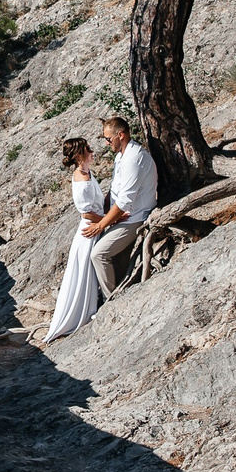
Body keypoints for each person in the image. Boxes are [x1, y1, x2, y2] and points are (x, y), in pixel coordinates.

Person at [42, 137, 109, 344]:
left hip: (96, 226)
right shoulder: (80, 179)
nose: (92, 151)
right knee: (83, 274)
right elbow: (87, 213)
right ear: (79, 155)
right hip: (90, 229)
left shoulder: (87, 173)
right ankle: (76, 317)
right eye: (88, 149)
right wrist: (109, 220)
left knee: (87, 275)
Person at [84, 114, 157, 297]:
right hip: (123, 215)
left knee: (98, 254)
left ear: (121, 135)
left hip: (135, 217)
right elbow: (115, 190)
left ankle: (111, 298)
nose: (107, 143)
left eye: (109, 138)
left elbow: (125, 201)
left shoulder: (134, 159)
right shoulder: (121, 157)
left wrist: (101, 224)